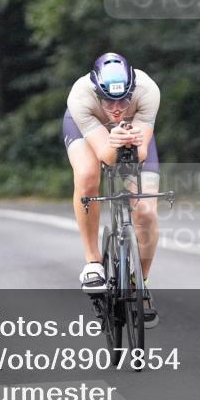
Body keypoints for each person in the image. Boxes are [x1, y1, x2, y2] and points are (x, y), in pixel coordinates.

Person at [63, 52, 161, 327]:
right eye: (108, 99)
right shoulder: (80, 95)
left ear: (132, 89)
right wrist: (112, 141)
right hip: (86, 129)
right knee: (87, 174)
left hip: (133, 133)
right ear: (96, 92)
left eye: (123, 99)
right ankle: (93, 261)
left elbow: (140, 152)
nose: (116, 108)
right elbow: (107, 155)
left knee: (146, 212)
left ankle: (139, 283)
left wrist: (127, 139)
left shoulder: (148, 90)